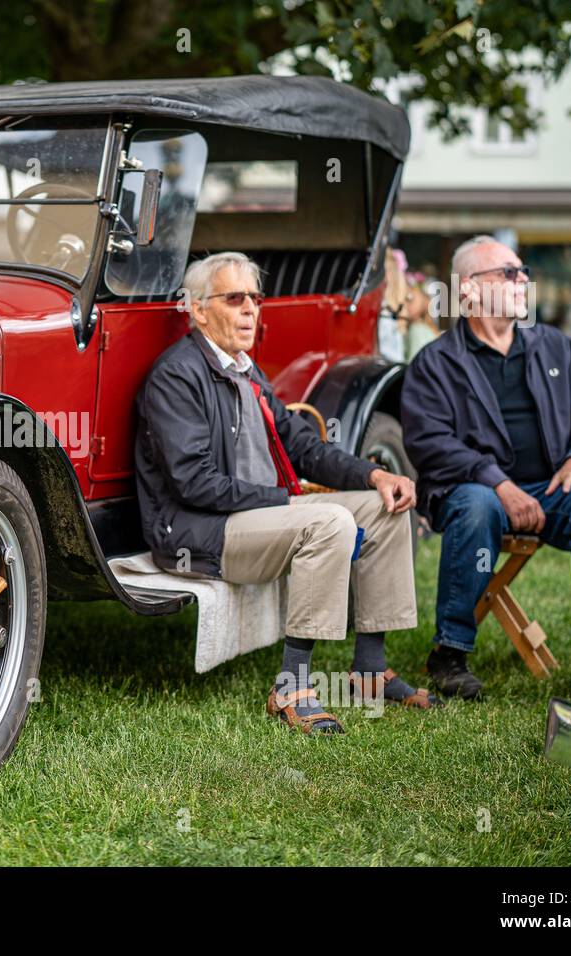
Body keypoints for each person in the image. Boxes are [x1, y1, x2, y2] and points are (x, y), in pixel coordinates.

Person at [135, 252, 430, 735]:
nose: (251, 309)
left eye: (256, 298)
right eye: (235, 298)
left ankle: (370, 669)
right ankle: (291, 685)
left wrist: (374, 476)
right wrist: (284, 501)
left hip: (253, 514)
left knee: (384, 508)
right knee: (330, 521)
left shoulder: (246, 372)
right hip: (197, 531)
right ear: (198, 309)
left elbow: (304, 447)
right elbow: (192, 482)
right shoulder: (177, 375)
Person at [401, 236, 571, 699]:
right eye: (508, 273)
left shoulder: (553, 348)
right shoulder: (435, 363)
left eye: (523, 271)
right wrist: (499, 483)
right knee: (479, 504)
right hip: (471, 492)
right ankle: (450, 652)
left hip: (550, 488)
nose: (523, 279)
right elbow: (429, 443)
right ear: (468, 292)